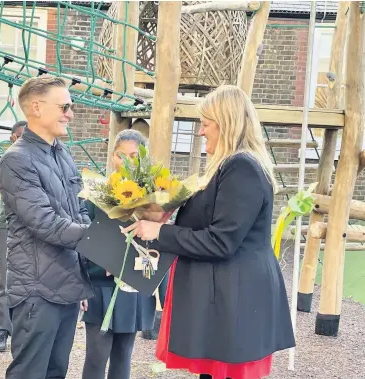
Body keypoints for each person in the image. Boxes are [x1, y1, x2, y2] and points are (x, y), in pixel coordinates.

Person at [123, 85, 296, 379]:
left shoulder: (242, 167)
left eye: (205, 124)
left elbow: (221, 241)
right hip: (228, 292)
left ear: (226, 124)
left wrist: (160, 232)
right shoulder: (230, 166)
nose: (200, 132)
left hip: (235, 297)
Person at [0, 75, 93, 379]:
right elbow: (45, 223)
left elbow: (79, 211)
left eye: (71, 106)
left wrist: (89, 264)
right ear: (36, 107)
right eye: (64, 106)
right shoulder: (16, 160)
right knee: (29, 373)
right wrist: (101, 238)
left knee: (56, 372)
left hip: (66, 285)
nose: (70, 113)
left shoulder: (63, 154)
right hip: (36, 290)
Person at [81, 129, 157, 379]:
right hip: (100, 284)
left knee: (124, 355)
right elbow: (82, 237)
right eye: (120, 155)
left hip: (132, 283)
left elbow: (157, 240)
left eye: (133, 156)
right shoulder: (95, 193)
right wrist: (82, 283)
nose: (125, 162)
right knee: (97, 355)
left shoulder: (151, 196)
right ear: (112, 156)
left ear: (143, 159)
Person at [0, 120, 27, 352]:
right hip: (9, 224)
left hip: (34, 227)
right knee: (5, 279)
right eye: (22, 136)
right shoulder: (4, 160)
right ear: (13, 138)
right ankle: (1, 330)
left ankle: (21, 329)